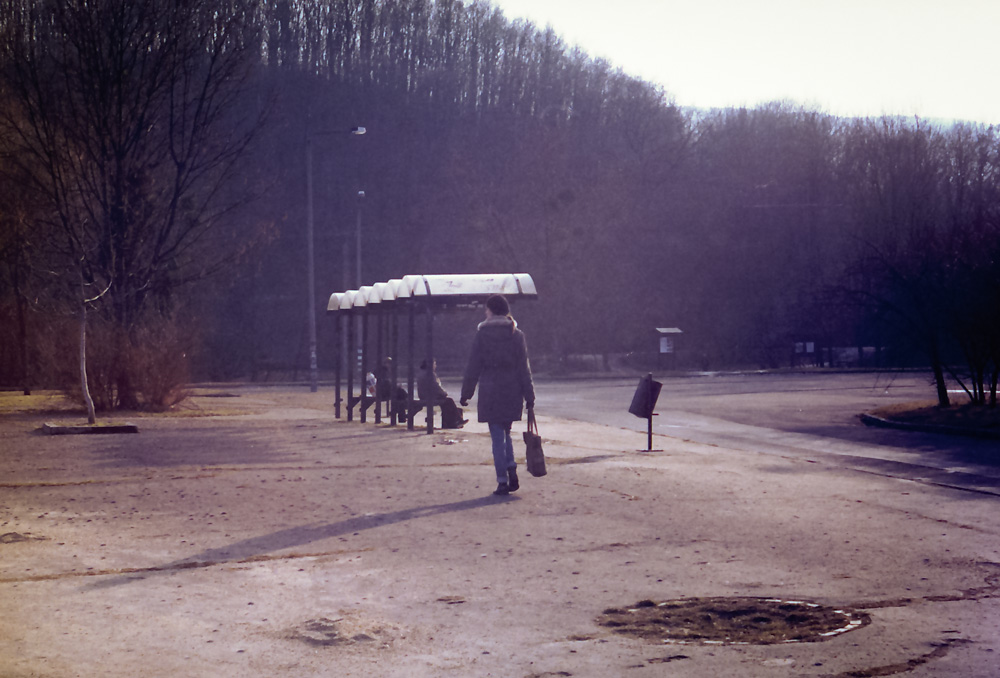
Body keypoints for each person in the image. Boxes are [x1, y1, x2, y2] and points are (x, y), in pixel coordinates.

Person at [461, 294, 535, 495]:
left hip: (490, 389)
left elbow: (473, 366)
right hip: (512, 390)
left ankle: (502, 480)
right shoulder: (516, 334)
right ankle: (511, 469)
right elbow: (523, 368)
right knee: (506, 432)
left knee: (497, 437)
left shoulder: (482, 335)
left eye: (487, 309)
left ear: (491, 310)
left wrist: (466, 393)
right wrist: (529, 396)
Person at [418, 360, 467, 429]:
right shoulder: (430, 374)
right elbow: (436, 387)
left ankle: (453, 422)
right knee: (449, 401)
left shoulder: (421, 373)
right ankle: (458, 420)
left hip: (423, 396)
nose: (435, 366)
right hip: (430, 397)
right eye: (434, 364)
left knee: (447, 403)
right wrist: (443, 393)